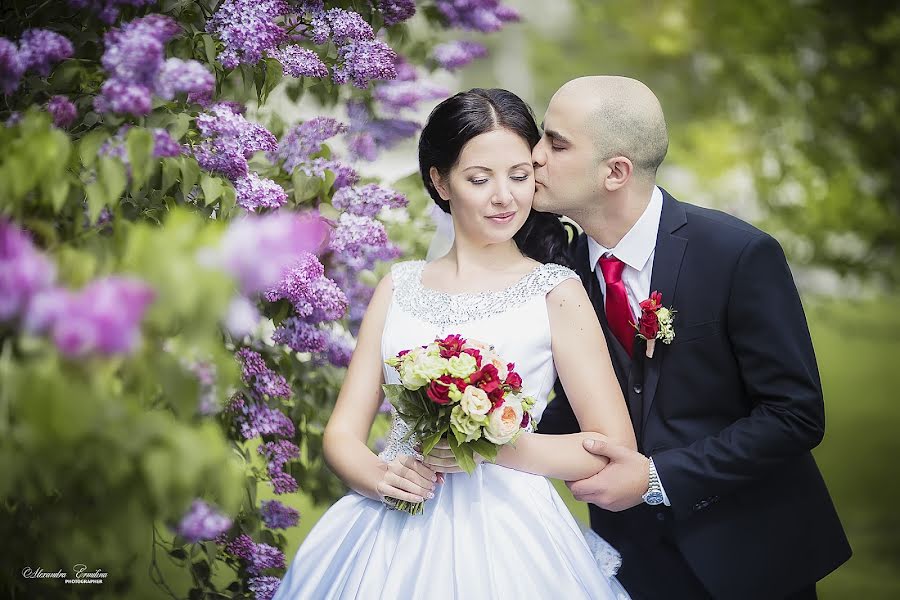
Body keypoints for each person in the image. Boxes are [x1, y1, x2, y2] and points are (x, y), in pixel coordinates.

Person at [272, 88, 634, 599]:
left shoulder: (556, 291)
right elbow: (342, 437)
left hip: (511, 533)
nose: (503, 196)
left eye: (519, 175)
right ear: (440, 182)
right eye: (479, 179)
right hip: (393, 519)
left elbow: (610, 448)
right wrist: (381, 478)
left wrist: (491, 443)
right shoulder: (398, 286)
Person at [534, 76, 852, 600]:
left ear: (616, 172)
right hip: (629, 560)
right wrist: (475, 437)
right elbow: (573, 404)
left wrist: (657, 477)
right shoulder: (560, 273)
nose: (535, 157)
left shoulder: (737, 255)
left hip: (753, 554)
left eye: (556, 142)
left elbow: (794, 414)